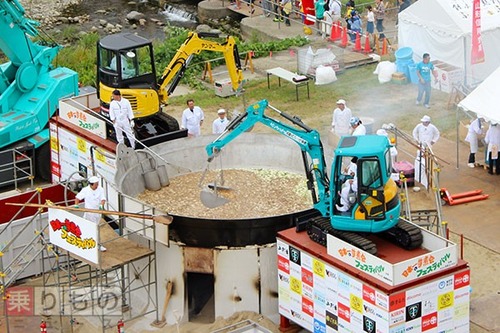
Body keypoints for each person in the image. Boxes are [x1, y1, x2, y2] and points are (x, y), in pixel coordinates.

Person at [74, 176, 107, 251]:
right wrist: (76, 205)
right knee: (89, 228)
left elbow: (103, 199)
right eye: (96, 184)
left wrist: (101, 205)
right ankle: (87, 243)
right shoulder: (85, 190)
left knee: (96, 228)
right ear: (91, 184)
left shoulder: (100, 189)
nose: (97, 185)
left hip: (97, 213)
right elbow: (78, 197)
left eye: (97, 184)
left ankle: (97, 245)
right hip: (89, 213)